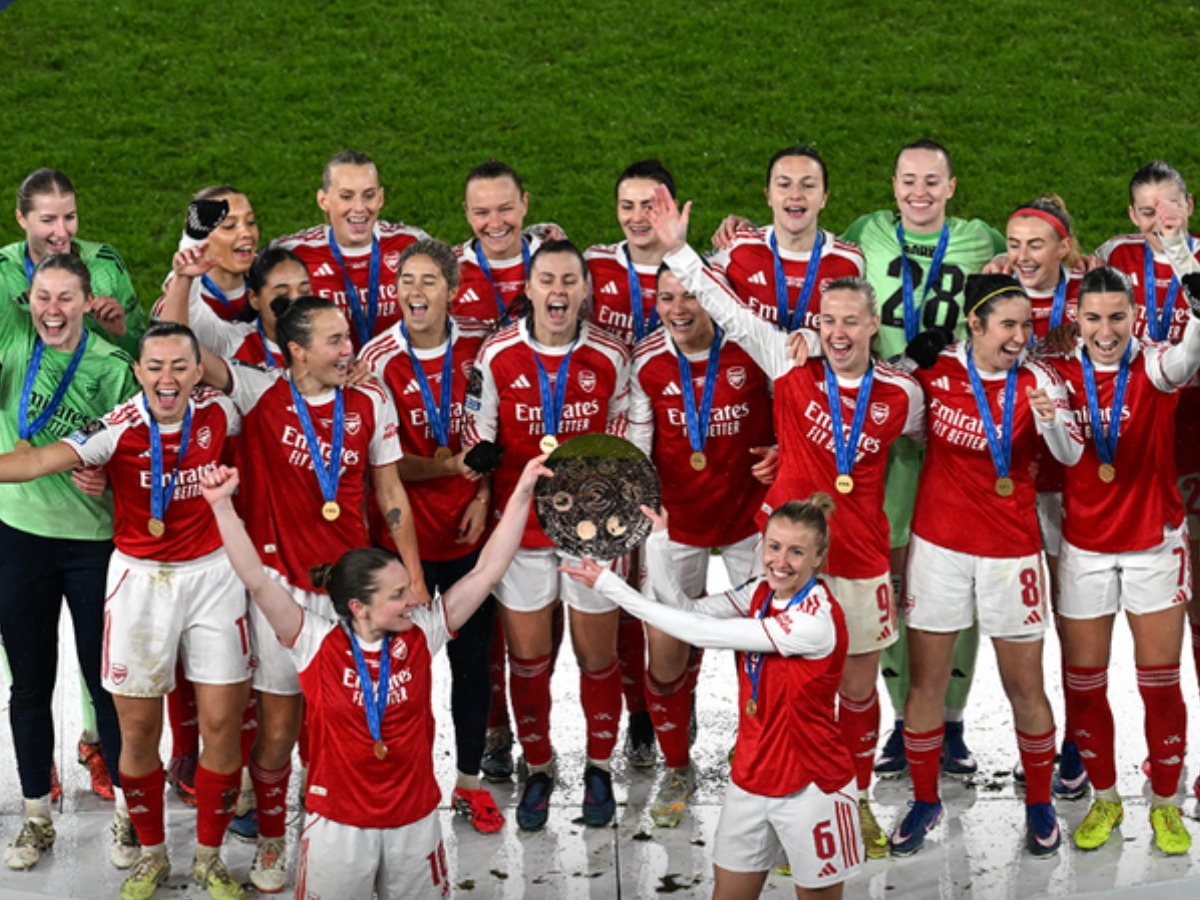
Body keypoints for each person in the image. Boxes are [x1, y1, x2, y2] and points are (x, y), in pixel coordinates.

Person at [647, 183, 923, 855]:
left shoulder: (901, 395)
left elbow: (938, 441)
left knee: (856, 695)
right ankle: (777, 801)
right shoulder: (790, 363)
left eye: (852, 321)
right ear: (817, 323)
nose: (838, 331)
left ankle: (850, 801)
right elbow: (731, 314)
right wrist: (681, 253)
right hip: (790, 568)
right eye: (829, 319)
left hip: (859, 561)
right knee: (779, 691)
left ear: (872, 323)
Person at [202, 454, 550, 900]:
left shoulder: (423, 632)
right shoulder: (314, 641)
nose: (413, 600)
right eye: (399, 595)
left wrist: (520, 491)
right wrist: (221, 507)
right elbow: (256, 580)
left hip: (415, 823)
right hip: (337, 828)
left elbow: (486, 571)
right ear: (358, 607)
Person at [0, 322, 253, 899]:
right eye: (155, 367)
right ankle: (154, 854)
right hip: (139, 582)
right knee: (138, 733)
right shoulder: (117, 427)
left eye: (180, 366)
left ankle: (210, 857)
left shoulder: (223, 412)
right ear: (137, 373)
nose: (168, 379)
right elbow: (39, 462)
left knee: (221, 725)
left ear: (197, 371)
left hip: (214, 578)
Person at [563, 497, 863, 900]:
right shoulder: (760, 590)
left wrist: (613, 588)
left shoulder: (814, 620)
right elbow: (686, 608)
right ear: (762, 547)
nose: (781, 561)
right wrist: (659, 541)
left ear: (818, 559)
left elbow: (699, 632)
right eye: (774, 547)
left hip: (812, 785)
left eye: (797, 552)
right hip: (752, 777)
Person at [888, 274, 1083, 857]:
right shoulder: (936, 372)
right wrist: (903, 358)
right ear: (974, 325)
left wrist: (1050, 419)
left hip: (1011, 551)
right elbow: (882, 403)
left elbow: (1071, 454)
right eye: (1008, 325)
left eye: (1026, 325)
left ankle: (1040, 803)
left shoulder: (1038, 379)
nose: (1022, 336)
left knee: (1025, 684)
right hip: (940, 548)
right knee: (926, 683)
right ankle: (924, 801)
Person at [842, 139, 1006, 779]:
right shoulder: (865, 232)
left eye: (931, 181)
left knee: (950, 581)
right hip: (883, 428)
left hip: (952, 426)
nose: (919, 192)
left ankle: (953, 722)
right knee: (889, 580)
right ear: (892, 184)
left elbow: (1030, 258)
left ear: (952, 186)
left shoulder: (978, 237)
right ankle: (904, 719)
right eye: (908, 180)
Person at [463, 239, 631, 829]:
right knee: (528, 657)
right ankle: (538, 767)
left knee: (596, 655)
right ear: (529, 289)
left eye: (569, 281)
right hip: (524, 529)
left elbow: (628, 438)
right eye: (546, 281)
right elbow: (477, 441)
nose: (557, 292)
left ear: (586, 290)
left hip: (593, 529)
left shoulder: (612, 355)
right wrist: (483, 485)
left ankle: (600, 768)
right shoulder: (496, 355)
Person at [1040, 259, 1200, 855]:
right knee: (1083, 685)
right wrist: (1052, 424)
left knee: (1159, 684)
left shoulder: (1156, 364)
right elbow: (1070, 450)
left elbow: (1189, 357)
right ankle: (1105, 798)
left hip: (1154, 544)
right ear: (1075, 319)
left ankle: (1165, 804)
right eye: (1092, 318)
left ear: (1134, 316)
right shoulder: (1058, 374)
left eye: (1116, 317)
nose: (1105, 330)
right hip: (1084, 547)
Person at [360, 239, 503, 832]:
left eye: (427, 282)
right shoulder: (377, 360)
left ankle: (469, 782)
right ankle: (410, 778)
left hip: (469, 535)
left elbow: (494, 442)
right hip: (403, 545)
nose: (414, 293)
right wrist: (450, 468)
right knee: (402, 673)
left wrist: (482, 492)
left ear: (453, 289)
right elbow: (383, 465)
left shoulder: (481, 348)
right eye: (405, 280)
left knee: (473, 669)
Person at [0, 254, 136, 871]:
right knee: (29, 684)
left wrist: (108, 477)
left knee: (108, 684)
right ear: (26, 302)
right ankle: (34, 817)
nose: (52, 311)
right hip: (18, 535)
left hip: (94, 546)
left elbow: (144, 460)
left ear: (87, 302)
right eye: (42, 298)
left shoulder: (113, 369)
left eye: (65, 299)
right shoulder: (13, 351)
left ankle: (130, 817)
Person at [626, 264, 774, 827]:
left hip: (747, 523)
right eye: (667, 296)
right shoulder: (647, 361)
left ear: (715, 299)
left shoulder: (750, 349)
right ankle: (677, 764)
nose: (679, 307)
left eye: (691, 294)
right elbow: (640, 444)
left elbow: (789, 402)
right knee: (665, 653)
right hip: (676, 524)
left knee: (758, 649)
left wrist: (783, 449)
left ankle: (753, 750)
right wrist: (644, 518)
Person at [1094, 162, 1200, 741]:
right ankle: (1081, 744)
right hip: (1138, 439)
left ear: (1189, 204)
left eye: (1170, 205)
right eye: (1147, 210)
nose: (1161, 219)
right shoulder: (1117, 258)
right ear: (1132, 218)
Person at [584, 159, 677, 767]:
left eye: (651, 205)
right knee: (615, 582)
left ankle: (667, 704)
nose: (639, 217)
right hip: (617, 454)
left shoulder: (699, 268)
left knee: (664, 588)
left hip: (680, 445)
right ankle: (638, 712)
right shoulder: (595, 267)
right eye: (628, 205)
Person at [1005, 196, 1090, 800]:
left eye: (1036, 244)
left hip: (1073, 480)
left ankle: (1077, 743)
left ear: (1063, 248)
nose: (1023, 256)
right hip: (1010, 478)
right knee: (1022, 619)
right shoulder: (995, 291)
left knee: (1069, 619)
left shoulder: (1092, 292)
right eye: (1015, 243)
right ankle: (1037, 743)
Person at [273, 149, 430, 350]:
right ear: (324, 201)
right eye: (346, 196)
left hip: (398, 373)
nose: (359, 207)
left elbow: (442, 311)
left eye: (369, 195)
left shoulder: (412, 244)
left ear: (380, 198)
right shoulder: (292, 253)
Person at [707, 145, 864, 331]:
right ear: (768, 196)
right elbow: (689, 286)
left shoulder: (849, 262)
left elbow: (855, 334)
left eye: (808, 186)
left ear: (824, 198)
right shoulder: (736, 245)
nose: (795, 195)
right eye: (784, 185)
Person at [0, 167, 144, 354]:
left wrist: (120, 333)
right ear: (22, 219)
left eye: (69, 217)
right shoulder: (4, 270)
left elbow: (144, 351)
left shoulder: (105, 264)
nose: (62, 232)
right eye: (48, 220)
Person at [450, 159, 564, 326]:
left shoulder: (557, 257)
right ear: (467, 212)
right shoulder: (448, 268)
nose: (495, 223)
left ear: (524, 204)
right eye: (482, 212)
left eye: (505, 209)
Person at [153, 186, 261, 324]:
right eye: (229, 225)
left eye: (251, 222)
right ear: (200, 235)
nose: (247, 233)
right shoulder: (174, 306)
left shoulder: (275, 282)